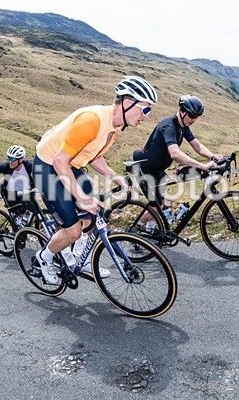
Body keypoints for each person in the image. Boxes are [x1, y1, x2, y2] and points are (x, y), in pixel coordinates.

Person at [32, 75, 155, 284]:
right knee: (73, 230)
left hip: (71, 165)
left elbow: (93, 154)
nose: (146, 116)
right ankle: (43, 258)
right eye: (145, 109)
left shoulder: (114, 125)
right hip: (48, 166)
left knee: (93, 212)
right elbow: (59, 162)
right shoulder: (93, 121)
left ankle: (84, 258)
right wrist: (81, 197)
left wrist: (114, 177)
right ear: (127, 104)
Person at [130, 95, 223, 229]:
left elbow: (197, 145)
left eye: (196, 117)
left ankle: (152, 233)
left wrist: (212, 156)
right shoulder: (169, 126)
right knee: (157, 207)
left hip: (158, 170)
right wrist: (201, 165)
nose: (194, 120)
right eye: (192, 116)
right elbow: (174, 153)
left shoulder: (183, 126)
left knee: (161, 204)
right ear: (182, 111)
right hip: (144, 169)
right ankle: (134, 230)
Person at [0, 145, 37, 223]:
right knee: (17, 219)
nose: (10, 161)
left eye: (13, 159)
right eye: (9, 158)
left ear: (21, 160)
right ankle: (16, 230)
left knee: (28, 215)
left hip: (26, 192)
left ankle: (22, 230)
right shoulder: (6, 166)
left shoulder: (28, 165)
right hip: (10, 193)